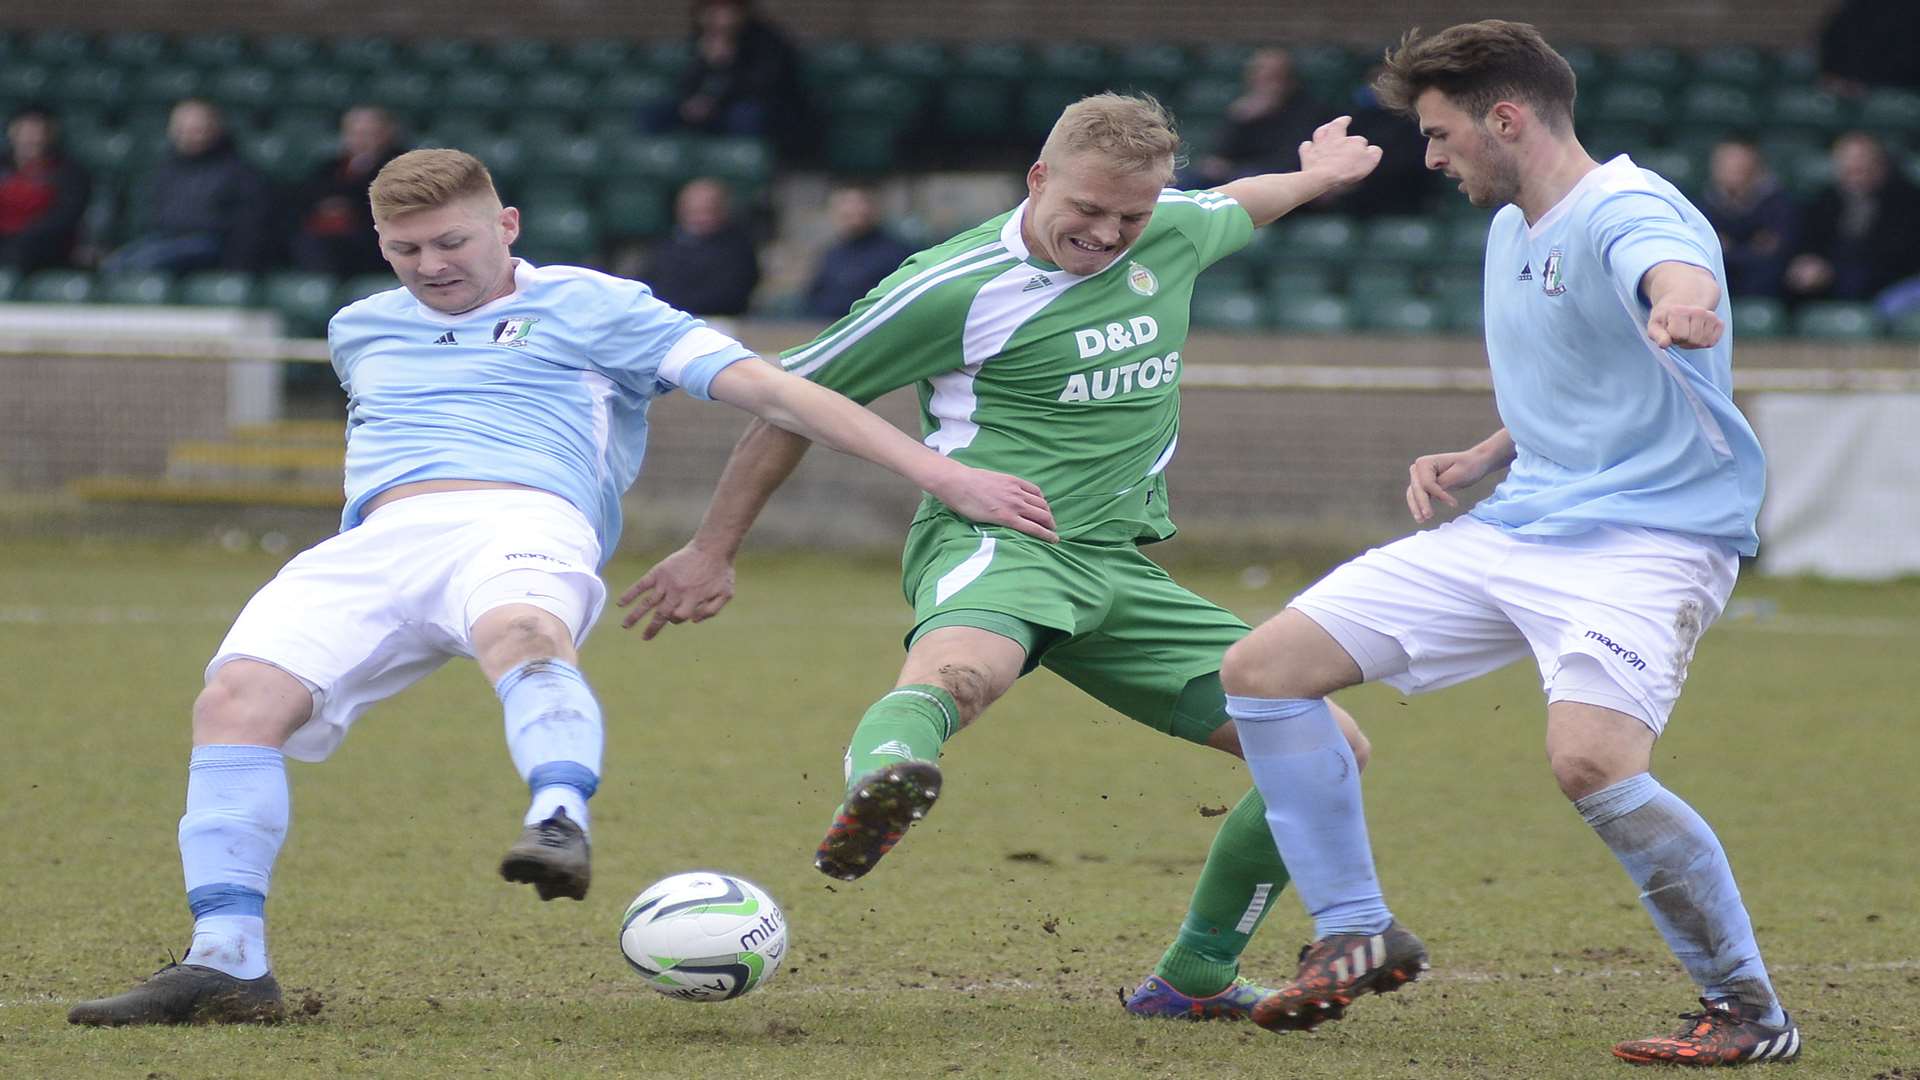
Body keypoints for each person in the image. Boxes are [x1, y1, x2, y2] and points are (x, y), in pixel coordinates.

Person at [66, 148, 1055, 1027]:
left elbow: (777, 391)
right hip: (374, 541)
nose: (431, 268)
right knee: (234, 701)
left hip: (523, 519)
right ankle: (229, 961)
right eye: (404, 250)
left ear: (506, 226)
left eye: (450, 242)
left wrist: (940, 471)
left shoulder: (596, 306)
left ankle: (559, 819)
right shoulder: (359, 325)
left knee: (523, 634)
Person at [618, 92, 1383, 1022]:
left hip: (1121, 571)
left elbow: (1249, 199)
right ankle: (883, 785)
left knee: (1325, 752)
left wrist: (1321, 176)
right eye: (1087, 210)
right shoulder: (949, 286)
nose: (1107, 234)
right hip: (996, 536)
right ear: (1039, 178)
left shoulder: (1175, 231)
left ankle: (1195, 976)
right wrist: (712, 547)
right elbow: (788, 403)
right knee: (965, 675)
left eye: (1130, 217)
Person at [1219, 21, 1800, 1067]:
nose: (1431, 158)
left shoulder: (1627, 207)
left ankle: (1749, 1012)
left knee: (1592, 762)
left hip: (1650, 538)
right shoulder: (1511, 230)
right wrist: (1487, 452)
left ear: (1506, 117)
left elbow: (1671, 274)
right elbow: (1582, 377)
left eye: (1441, 136)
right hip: (1522, 520)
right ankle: (1357, 931)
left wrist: (1689, 306)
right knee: (1263, 671)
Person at [104, 98, 271, 274]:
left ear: (215, 129)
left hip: (209, 243)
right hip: (164, 238)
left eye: (196, 129)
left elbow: (248, 226)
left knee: (145, 264)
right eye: (182, 129)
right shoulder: (166, 168)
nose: (188, 136)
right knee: (115, 264)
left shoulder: (239, 172)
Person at [642, 0, 805, 152]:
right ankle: (656, 163)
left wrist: (728, 63)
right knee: (657, 111)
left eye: (724, 9)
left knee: (746, 115)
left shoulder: (767, 40)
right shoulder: (702, 39)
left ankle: (741, 167)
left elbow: (764, 85)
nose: (718, 16)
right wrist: (693, 97)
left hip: (745, 106)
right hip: (707, 106)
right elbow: (686, 82)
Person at [1783, 131, 1920, 305]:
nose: (1853, 166)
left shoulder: (1908, 199)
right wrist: (1807, 261)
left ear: (1879, 163)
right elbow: (1808, 240)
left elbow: (1901, 255)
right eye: (1846, 161)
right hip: (1829, 282)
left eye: (1861, 160)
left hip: (1887, 281)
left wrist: (1832, 271)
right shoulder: (1826, 198)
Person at [1184, 48, 1332, 190]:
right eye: (1257, 73)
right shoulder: (1245, 109)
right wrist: (1240, 120)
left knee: (1245, 179)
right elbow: (1220, 155)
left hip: (1278, 179)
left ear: (1289, 79)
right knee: (1191, 179)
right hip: (1236, 174)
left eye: (1272, 77)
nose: (1261, 81)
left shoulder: (1308, 110)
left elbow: (1290, 159)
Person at [288, 105, 407, 277]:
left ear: (386, 133)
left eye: (368, 133)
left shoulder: (400, 167)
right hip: (324, 236)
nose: (360, 140)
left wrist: (350, 208)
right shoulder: (328, 167)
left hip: (369, 239)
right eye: (354, 133)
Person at [640, 176, 761, 316]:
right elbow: (649, 282)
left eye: (707, 211)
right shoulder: (666, 245)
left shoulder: (738, 249)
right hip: (665, 318)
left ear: (722, 211)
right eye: (692, 211)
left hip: (716, 322)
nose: (699, 218)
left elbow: (728, 295)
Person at [1700, 138, 1798, 299]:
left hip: (1765, 288)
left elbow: (1774, 249)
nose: (1734, 169)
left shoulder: (1778, 204)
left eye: (1740, 164)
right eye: (1726, 164)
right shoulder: (1700, 205)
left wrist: (1728, 249)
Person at [802, 183, 915, 320]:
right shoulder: (831, 254)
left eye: (859, 204)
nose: (853, 210)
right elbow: (814, 301)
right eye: (845, 205)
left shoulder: (896, 253)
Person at [0, 106, 91, 274]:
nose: (33, 139)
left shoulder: (70, 172)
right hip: (4, 240)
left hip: (43, 246)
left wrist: (23, 236)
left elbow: (65, 216)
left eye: (39, 133)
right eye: (26, 133)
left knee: (21, 251)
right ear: (12, 133)